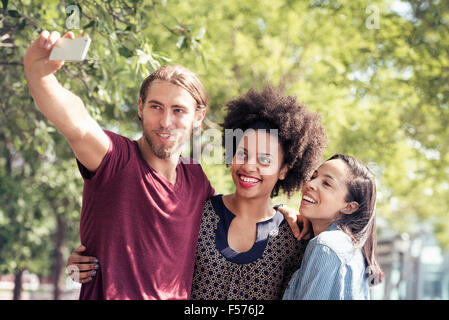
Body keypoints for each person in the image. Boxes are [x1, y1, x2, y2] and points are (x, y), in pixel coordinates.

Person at [71, 86, 328, 300]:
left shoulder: (294, 236)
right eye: (243, 153)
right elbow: (141, 239)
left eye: (265, 159)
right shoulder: (200, 210)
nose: (250, 166)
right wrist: (87, 260)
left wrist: (285, 211)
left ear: (284, 169)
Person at [24, 30, 214, 299]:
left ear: (198, 116)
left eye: (178, 110)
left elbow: (240, 217)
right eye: (156, 107)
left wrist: (287, 216)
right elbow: (76, 122)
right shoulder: (114, 158)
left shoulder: (197, 180)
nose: (165, 122)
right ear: (140, 107)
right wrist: (39, 74)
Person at [282, 154, 384, 300]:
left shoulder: (326, 246)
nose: (310, 184)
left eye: (327, 184)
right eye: (313, 176)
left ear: (349, 207)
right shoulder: (351, 248)